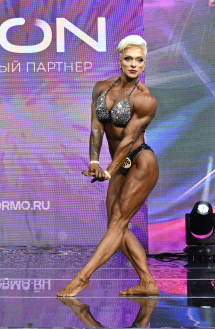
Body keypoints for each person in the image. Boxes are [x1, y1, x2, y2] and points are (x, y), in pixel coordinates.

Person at [57, 35, 159, 299]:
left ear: (145, 64)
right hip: (118, 165)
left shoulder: (145, 99)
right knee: (117, 226)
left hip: (140, 162)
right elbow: (96, 127)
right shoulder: (101, 88)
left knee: (118, 223)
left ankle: (82, 278)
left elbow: (128, 141)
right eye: (129, 59)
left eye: (139, 60)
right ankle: (147, 282)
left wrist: (109, 170)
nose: (134, 64)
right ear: (120, 60)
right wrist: (94, 161)